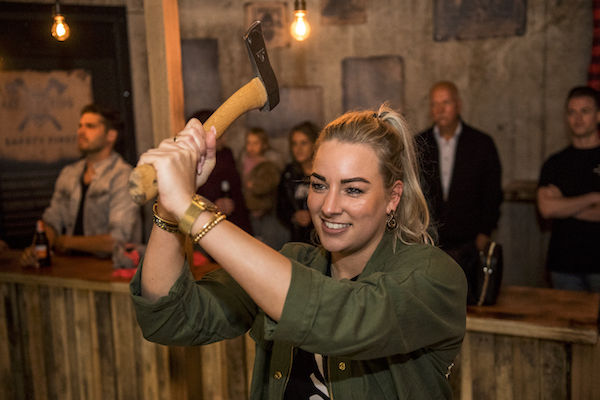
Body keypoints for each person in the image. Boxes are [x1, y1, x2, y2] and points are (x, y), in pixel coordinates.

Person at [131, 104, 467, 399]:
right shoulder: (291, 262)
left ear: (393, 197)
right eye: (319, 185)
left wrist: (191, 211)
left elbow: (341, 318)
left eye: (353, 189)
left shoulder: (432, 276)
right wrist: (169, 209)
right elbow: (170, 318)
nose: (329, 206)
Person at [20, 104, 141, 267]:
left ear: (110, 135)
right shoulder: (69, 173)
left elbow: (118, 240)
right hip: (71, 268)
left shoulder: (124, 175)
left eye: (90, 126)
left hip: (111, 270)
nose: (81, 132)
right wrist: (38, 249)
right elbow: (51, 220)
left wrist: (67, 242)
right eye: (80, 126)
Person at [417, 81, 502, 301]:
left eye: (446, 102)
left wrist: (485, 232)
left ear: (458, 105)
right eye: (435, 104)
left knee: (467, 302)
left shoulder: (481, 143)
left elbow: (492, 191)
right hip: (429, 242)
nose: (440, 109)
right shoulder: (419, 143)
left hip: (469, 243)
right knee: (431, 302)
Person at [537, 86, 600, 292]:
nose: (578, 118)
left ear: (598, 115)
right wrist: (592, 197)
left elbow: (556, 208)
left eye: (585, 111)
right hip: (563, 266)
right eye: (572, 112)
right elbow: (547, 209)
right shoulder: (555, 163)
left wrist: (564, 204)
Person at [190, 109, 252, 234]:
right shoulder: (190, 161)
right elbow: (186, 214)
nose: (224, 139)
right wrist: (211, 205)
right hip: (205, 229)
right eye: (220, 135)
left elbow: (236, 190)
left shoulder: (226, 154)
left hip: (234, 225)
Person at [241, 127, 289, 249]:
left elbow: (269, 183)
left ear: (264, 145)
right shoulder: (244, 161)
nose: (251, 147)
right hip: (248, 205)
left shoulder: (268, 163)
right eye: (249, 143)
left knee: (266, 238)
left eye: (255, 143)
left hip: (264, 206)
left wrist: (255, 186)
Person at [277, 121, 319, 243]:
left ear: (314, 144)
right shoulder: (289, 174)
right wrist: (294, 216)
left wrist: (313, 217)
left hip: (322, 241)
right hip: (298, 240)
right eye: (294, 144)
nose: (298, 149)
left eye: (303, 143)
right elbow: (280, 207)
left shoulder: (325, 172)